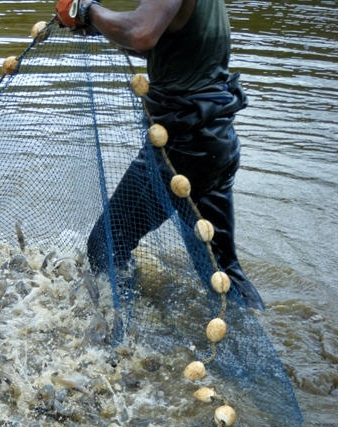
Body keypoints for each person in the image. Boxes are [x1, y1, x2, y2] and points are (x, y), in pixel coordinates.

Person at [55, 0, 266, 310]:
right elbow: (164, 44)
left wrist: (86, 9)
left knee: (107, 244)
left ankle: (123, 340)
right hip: (215, 141)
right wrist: (100, 27)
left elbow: (141, 32)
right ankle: (253, 335)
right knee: (220, 271)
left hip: (181, 149)